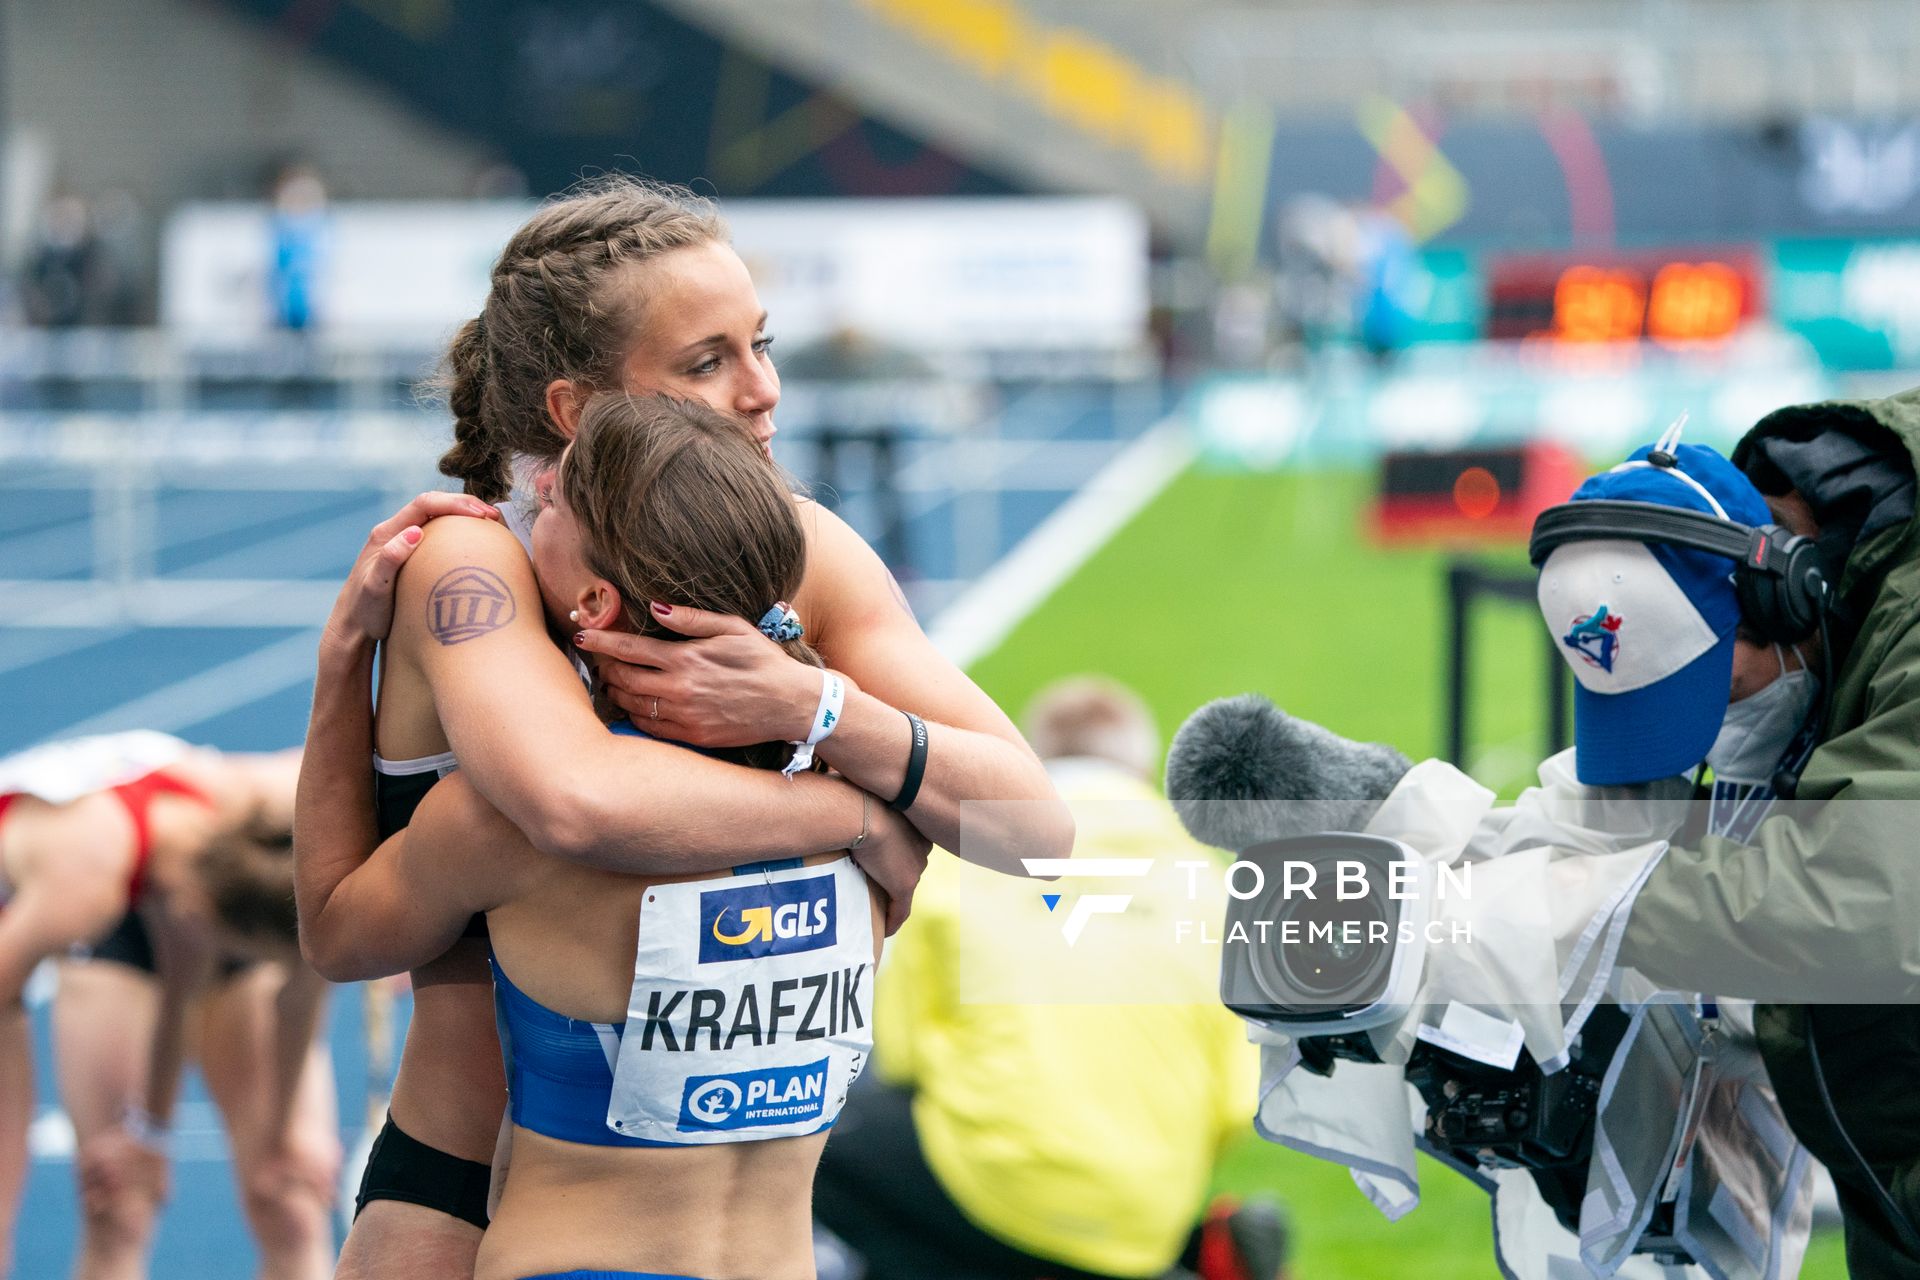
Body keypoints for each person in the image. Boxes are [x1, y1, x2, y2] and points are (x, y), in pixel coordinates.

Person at [297, 176, 1072, 1280]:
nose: (762, 391)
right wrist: (855, 805)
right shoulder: (482, 554)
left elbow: (1035, 826)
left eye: (761, 344)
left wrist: (814, 705)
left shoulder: (801, 546)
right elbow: (571, 802)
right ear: (574, 411)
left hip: (692, 1207)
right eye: (706, 361)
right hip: (470, 1171)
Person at [302, 391, 892, 1279]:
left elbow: (336, 932)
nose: (532, 495)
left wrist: (345, 654)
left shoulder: (511, 828)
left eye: (549, 504)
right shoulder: (879, 827)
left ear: (595, 602)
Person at [815, 677, 1282, 1280]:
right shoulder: (1216, 887)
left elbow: (900, 1056)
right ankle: (1186, 1257)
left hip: (996, 1181)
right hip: (1147, 1208)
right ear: (1143, 769)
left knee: (807, 1137)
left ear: (1030, 763)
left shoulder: (965, 857)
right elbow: (1236, 1101)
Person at [0, 734, 331, 1278]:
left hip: (146, 858)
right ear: (198, 910)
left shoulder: (269, 808)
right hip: (82, 925)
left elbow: (290, 997)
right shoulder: (84, 886)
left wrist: (279, 1137)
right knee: (117, 1207)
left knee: (292, 1200)